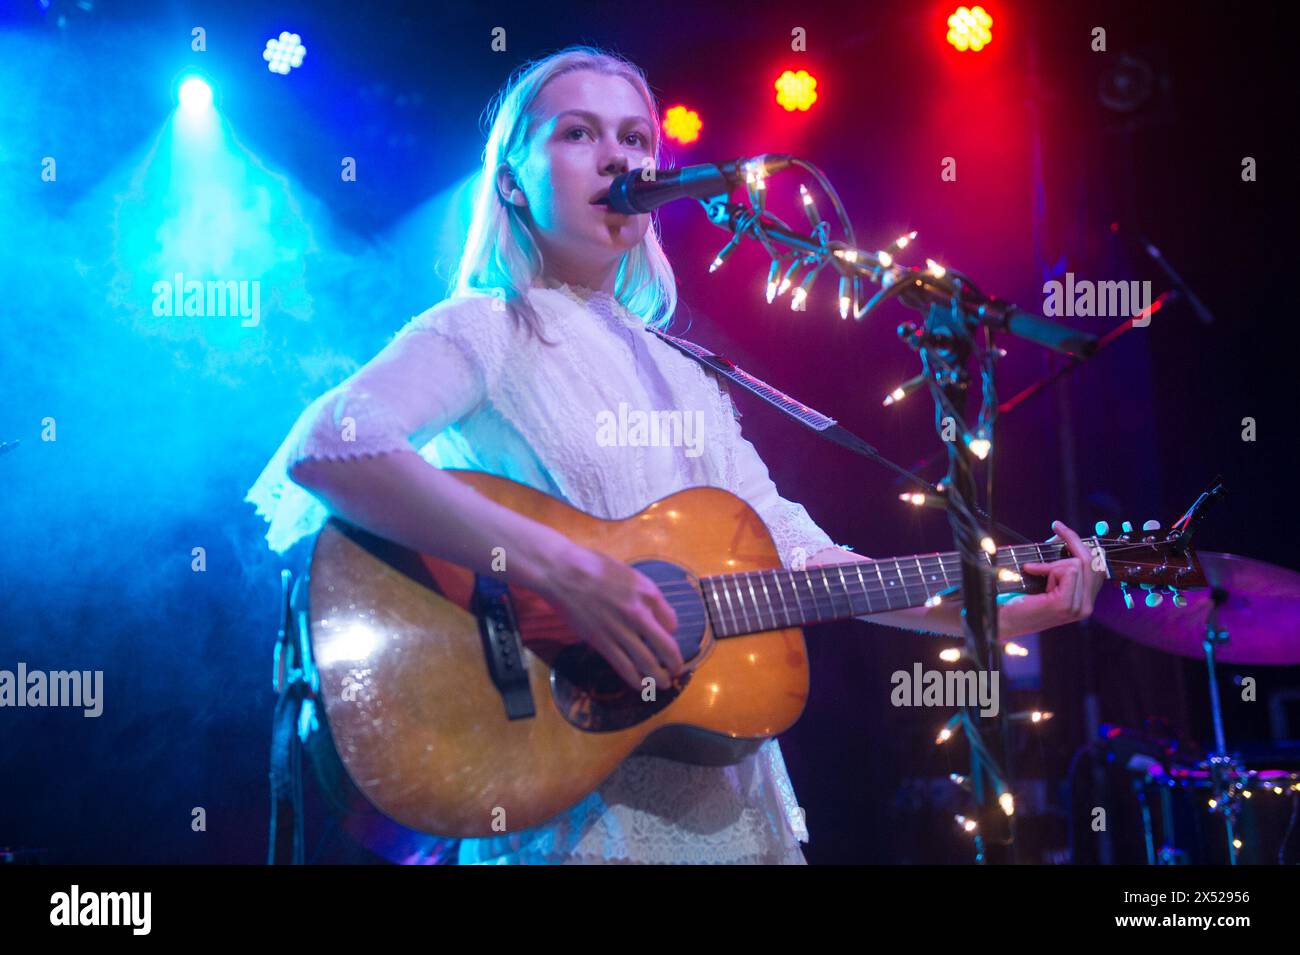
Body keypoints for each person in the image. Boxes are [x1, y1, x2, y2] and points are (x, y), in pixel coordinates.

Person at [246, 45, 1105, 864]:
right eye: (577, 133)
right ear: (510, 180)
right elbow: (329, 445)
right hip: (564, 795)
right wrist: (572, 574)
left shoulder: (684, 369)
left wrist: (990, 613)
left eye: (636, 138)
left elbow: (804, 559)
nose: (618, 157)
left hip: (733, 807)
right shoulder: (485, 327)